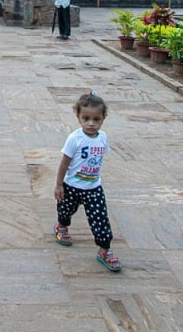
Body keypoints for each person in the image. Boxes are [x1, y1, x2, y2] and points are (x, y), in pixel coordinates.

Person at [54, 91, 121, 272]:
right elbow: (64, 162)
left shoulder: (102, 138)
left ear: (103, 119)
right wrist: (59, 184)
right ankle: (61, 226)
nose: (91, 124)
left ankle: (104, 250)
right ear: (78, 117)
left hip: (93, 188)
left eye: (96, 119)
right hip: (72, 186)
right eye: (86, 118)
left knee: (100, 218)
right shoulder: (75, 139)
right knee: (66, 210)